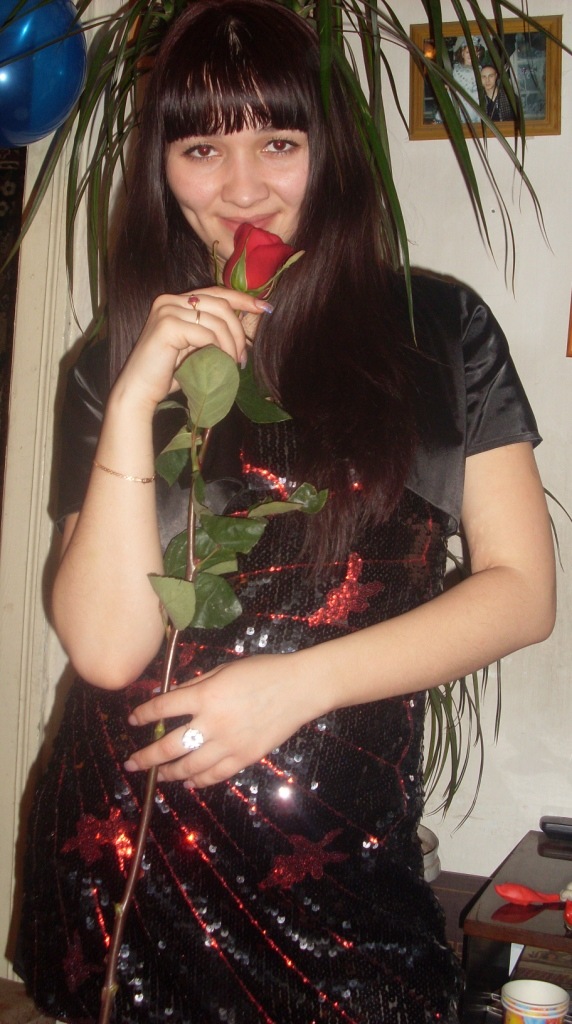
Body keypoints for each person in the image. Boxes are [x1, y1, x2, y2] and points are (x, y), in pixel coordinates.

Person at [18, 1, 555, 1022]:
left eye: (277, 141)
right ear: (161, 169)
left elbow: (521, 593)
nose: (242, 187)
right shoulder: (115, 363)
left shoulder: (440, 330)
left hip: (338, 852)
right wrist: (133, 398)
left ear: (329, 152)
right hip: (129, 848)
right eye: (200, 149)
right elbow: (105, 647)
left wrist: (294, 687)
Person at [452, 35, 485, 122]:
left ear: (478, 55)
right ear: (462, 53)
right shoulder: (456, 69)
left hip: (475, 99)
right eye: (467, 52)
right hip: (460, 98)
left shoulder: (480, 69)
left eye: (474, 52)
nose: (470, 55)